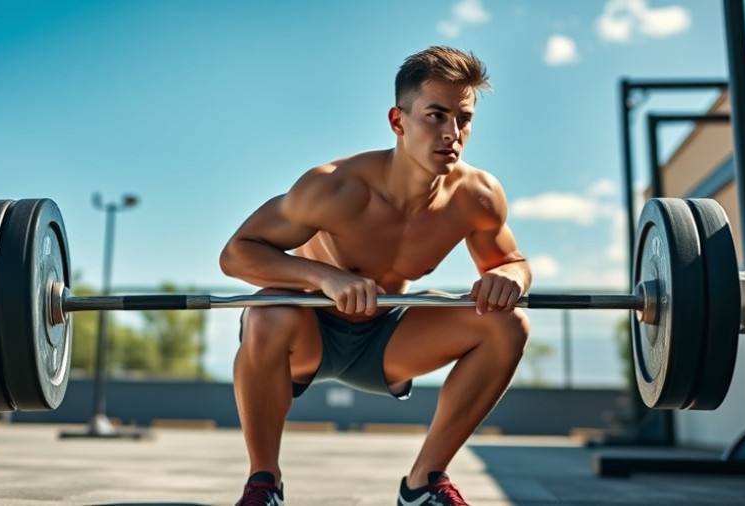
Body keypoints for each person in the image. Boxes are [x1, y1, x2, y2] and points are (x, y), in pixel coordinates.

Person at [219, 45, 531, 506]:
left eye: (463, 119)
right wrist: (326, 277)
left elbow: (511, 261)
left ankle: (424, 482)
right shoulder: (334, 187)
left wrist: (511, 279)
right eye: (436, 115)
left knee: (509, 324)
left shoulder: (477, 195)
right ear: (398, 120)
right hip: (309, 334)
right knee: (266, 310)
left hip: (387, 343)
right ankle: (263, 483)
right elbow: (236, 255)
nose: (452, 133)